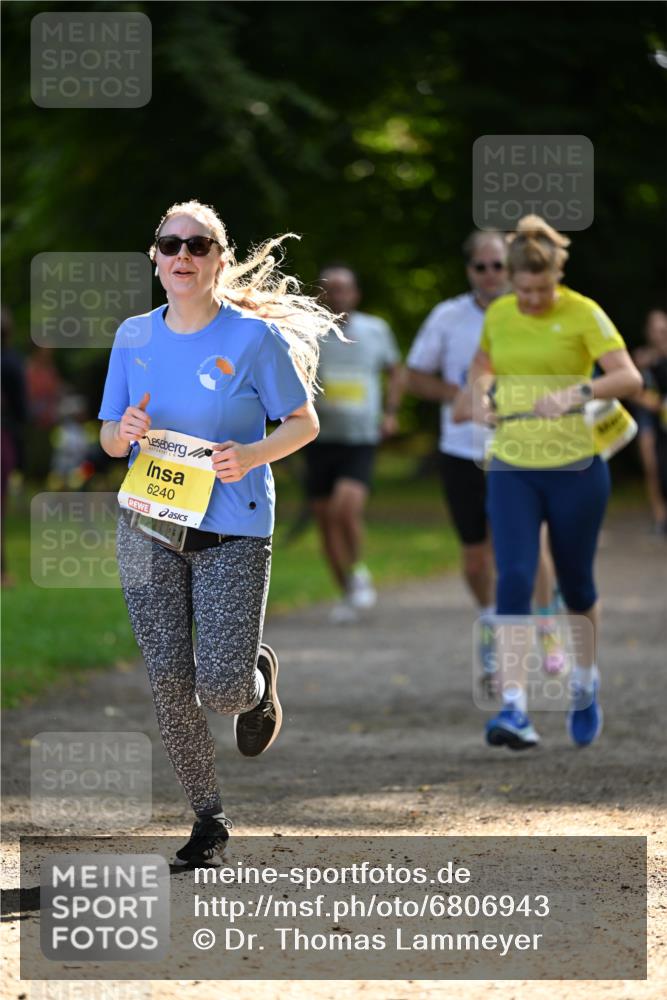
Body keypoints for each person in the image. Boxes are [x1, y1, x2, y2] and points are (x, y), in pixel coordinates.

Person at [99, 200, 335, 864]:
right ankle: (208, 819)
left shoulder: (251, 341)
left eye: (198, 246)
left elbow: (302, 422)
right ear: (154, 257)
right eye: (169, 244)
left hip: (232, 525)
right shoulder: (133, 337)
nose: (182, 255)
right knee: (169, 679)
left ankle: (256, 679)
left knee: (221, 690)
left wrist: (252, 454)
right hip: (148, 524)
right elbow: (109, 437)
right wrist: (124, 434)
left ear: (219, 261)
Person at [454, 215, 642, 750]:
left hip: (577, 468)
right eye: (523, 288)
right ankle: (514, 707)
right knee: (512, 576)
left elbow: (628, 376)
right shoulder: (502, 313)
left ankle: (584, 683)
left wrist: (577, 392)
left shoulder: (584, 313)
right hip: (512, 464)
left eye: (542, 289)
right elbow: (481, 365)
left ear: (557, 276)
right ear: (510, 281)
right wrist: (484, 396)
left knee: (577, 585)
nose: (532, 299)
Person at [406, 231, 564, 684]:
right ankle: (493, 622)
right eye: (482, 267)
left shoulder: (533, 310)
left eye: (499, 266)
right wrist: (462, 394)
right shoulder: (448, 316)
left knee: (529, 545)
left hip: (522, 449)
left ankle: (547, 625)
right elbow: (416, 376)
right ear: (469, 270)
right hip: (463, 450)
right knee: (477, 557)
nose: (491, 274)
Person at [304, 266, 403, 623]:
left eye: (344, 289)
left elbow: (396, 371)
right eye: (329, 290)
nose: (337, 296)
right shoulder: (308, 334)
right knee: (324, 520)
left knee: (345, 509)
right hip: (318, 438)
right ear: (320, 296)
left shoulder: (376, 330)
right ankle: (346, 590)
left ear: (356, 294)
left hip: (360, 437)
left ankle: (357, 569)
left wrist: (391, 413)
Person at [633, 309, 667, 533]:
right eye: (655, 331)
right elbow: (632, 389)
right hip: (649, 412)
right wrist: (650, 403)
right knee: (651, 462)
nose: (660, 335)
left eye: (663, 330)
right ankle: (659, 515)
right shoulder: (642, 358)